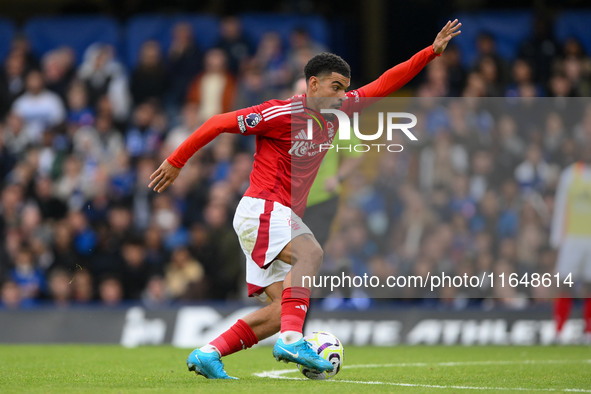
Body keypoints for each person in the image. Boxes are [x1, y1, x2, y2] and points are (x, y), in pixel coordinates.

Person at [149, 20, 461, 379]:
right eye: (335, 87)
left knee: (282, 308)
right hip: (262, 207)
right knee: (311, 253)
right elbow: (217, 122)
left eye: (345, 88)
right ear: (313, 84)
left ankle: (209, 353)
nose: (343, 95)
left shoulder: (340, 111)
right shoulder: (280, 113)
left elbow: (387, 82)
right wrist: (175, 163)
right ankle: (292, 340)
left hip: (274, 214)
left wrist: (430, 52)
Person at [550, 143, 591, 343]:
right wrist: (557, 239)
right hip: (572, 238)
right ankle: (558, 330)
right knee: (564, 283)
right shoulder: (570, 175)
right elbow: (560, 207)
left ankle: (589, 331)